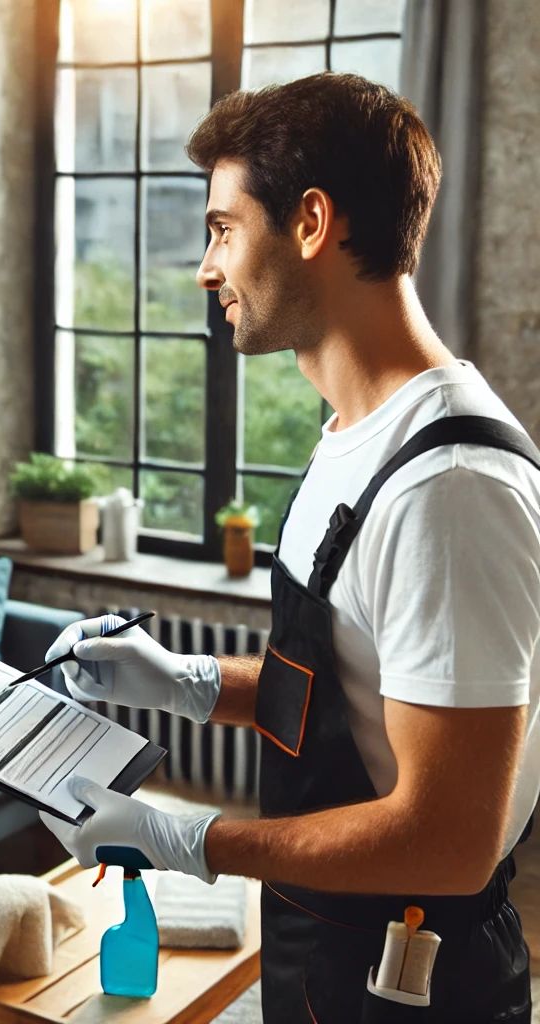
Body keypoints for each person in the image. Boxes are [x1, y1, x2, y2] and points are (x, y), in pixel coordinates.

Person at [40, 72, 540, 1023]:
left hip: (411, 983)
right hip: (327, 943)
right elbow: (343, 692)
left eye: (222, 229)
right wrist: (180, 680)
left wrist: (187, 841)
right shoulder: (354, 434)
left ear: (311, 223)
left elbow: (449, 840)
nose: (205, 268)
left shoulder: (451, 489)